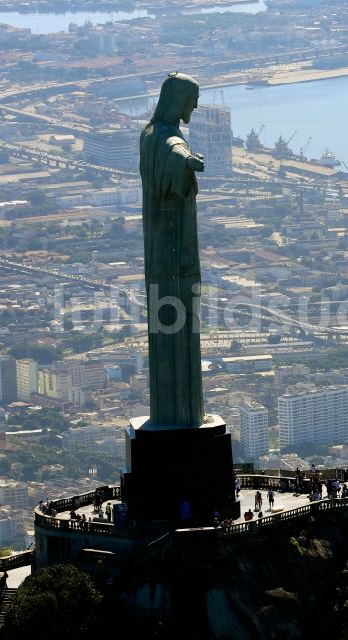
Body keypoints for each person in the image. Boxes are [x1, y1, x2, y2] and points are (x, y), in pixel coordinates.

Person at [139, 72, 206, 427]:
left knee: (170, 321)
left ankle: (179, 414)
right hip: (173, 249)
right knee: (176, 322)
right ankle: (183, 415)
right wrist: (187, 161)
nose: (194, 107)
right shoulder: (165, 138)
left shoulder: (148, 134)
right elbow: (173, 152)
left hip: (159, 244)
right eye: (191, 100)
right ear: (178, 100)